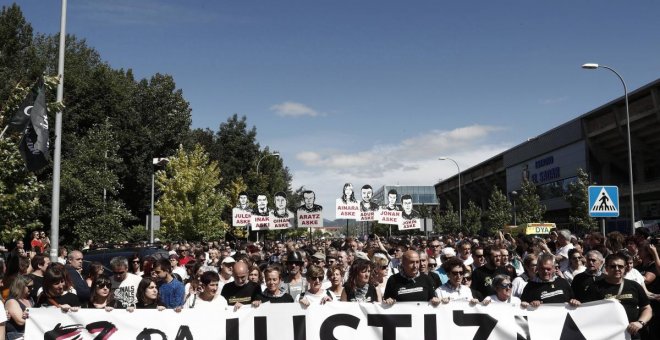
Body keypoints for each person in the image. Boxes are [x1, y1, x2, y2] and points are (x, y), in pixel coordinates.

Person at [583, 253, 652, 339]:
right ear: (606, 268)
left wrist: (640, 322)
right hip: (607, 335)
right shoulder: (595, 287)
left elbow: (647, 308)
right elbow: (587, 311)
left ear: (625, 268)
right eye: (613, 266)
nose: (617, 269)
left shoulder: (634, 285)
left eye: (620, 266)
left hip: (632, 334)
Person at [4, 275, 33, 340]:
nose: (32, 288)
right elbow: (20, 321)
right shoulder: (12, 301)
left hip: (29, 334)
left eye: (32, 286)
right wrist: (34, 317)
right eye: (29, 287)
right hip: (16, 335)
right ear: (21, 286)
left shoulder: (30, 299)